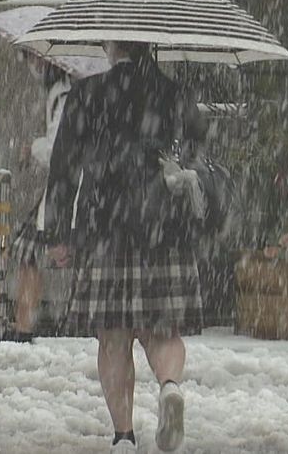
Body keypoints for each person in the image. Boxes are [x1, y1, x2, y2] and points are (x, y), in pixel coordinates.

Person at [43, 40, 201, 453]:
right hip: (161, 229)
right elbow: (197, 164)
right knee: (162, 330)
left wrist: (58, 232)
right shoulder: (175, 95)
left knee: (113, 337)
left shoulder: (88, 94)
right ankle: (169, 387)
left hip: (104, 227)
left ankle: (124, 437)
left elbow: (64, 169)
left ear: (113, 47)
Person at [1, 53, 72, 343]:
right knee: (27, 250)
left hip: (67, 188)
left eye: (36, 58)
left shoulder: (63, 94)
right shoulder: (62, 92)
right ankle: (23, 324)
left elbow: (58, 149)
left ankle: (24, 326)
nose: (33, 66)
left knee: (26, 250)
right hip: (66, 187)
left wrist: (32, 149)